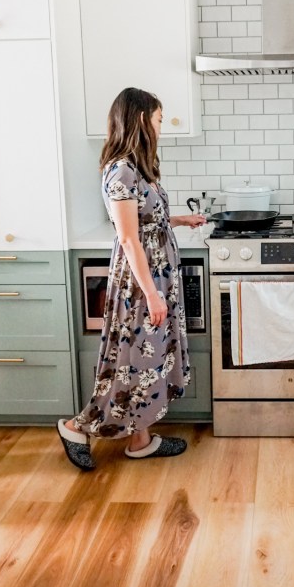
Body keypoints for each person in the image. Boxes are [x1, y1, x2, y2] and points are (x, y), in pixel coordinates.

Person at [57, 87, 206, 471]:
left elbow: (145, 219)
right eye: (159, 119)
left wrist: (180, 220)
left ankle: (139, 440)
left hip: (156, 275)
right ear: (142, 119)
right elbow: (127, 237)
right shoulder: (121, 169)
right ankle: (77, 427)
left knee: (149, 359)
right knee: (130, 361)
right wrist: (153, 295)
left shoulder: (138, 166)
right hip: (141, 284)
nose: (161, 127)